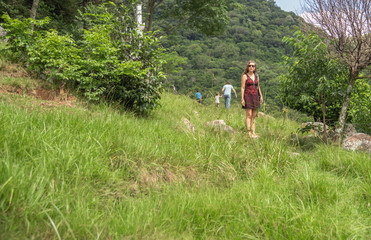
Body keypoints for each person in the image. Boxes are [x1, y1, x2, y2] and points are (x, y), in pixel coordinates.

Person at [241, 60, 263, 138]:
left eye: (253, 66)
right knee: (249, 115)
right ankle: (248, 132)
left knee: (254, 115)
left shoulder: (257, 76)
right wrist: (242, 99)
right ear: (247, 67)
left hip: (255, 96)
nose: (251, 67)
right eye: (250, 66)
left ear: (255, 68)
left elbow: (258, 87)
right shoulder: (245, 76)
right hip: (248, 96)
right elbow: (243, 87)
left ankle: (253, 131)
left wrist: (261, 96)